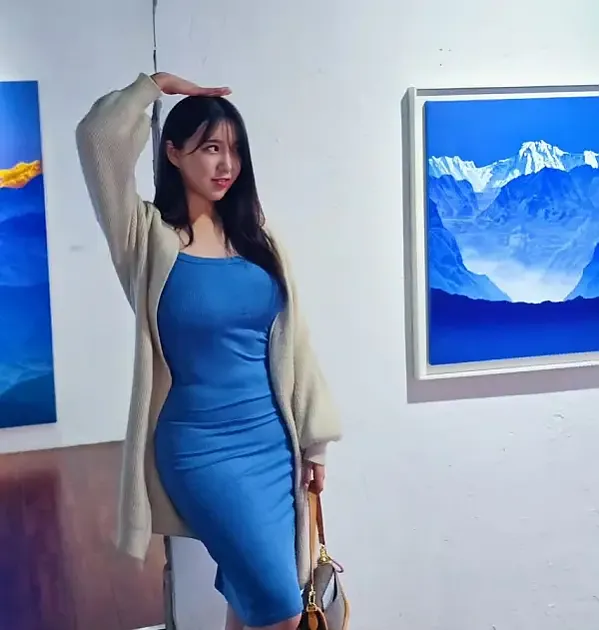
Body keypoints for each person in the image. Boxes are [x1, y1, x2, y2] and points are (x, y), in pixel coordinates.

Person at [75, 71, 343, 630]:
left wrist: (314, 443)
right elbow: (98, 138)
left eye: (235, 150)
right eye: (210, 148)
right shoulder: (146, 238)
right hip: (200, 450)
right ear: (172, 152)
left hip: (273, 446)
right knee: (281, 609)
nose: (227, 164)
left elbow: (296, 344)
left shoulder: (258, 237)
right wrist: (154, 86)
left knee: (252, 601)